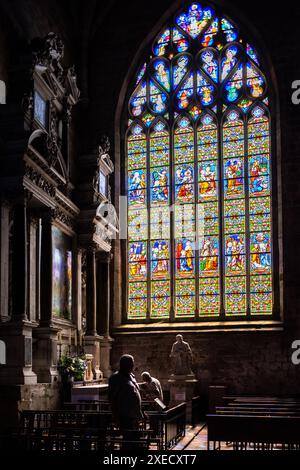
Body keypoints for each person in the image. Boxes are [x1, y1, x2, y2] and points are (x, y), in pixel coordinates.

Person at [108, 354, 143, 448]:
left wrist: (141, 411)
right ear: (123, 364)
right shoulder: (116, 378)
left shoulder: (131, 376)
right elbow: (112, 398)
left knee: (135, 440)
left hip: (135, 414)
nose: (133, 365)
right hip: (125, 415)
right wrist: (116, 417)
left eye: (132, 363)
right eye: (131, 363)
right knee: (128, 441)